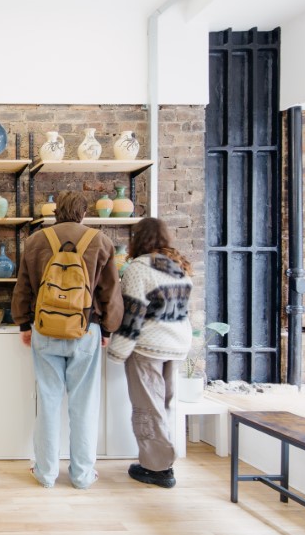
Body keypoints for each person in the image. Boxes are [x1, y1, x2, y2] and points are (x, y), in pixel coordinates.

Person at [12, 190, 122, 489]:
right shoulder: (101, 241)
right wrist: (108, 329)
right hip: (86, 330)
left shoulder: (36, 241)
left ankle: (46, 474)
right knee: (83, 405)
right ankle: (82, 476)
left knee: (47, 401)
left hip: (44, 329)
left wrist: (24, 323)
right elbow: (110, 291)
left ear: (56, 211)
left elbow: (23, 286)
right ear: (83, 213)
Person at [106, 217, 193, 489]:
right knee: (162, 404)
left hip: (149, 346)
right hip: (177, 344)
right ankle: (158, 459)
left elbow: (132, 316)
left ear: (138, 239)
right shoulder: (178, 267)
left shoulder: (139, 268)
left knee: (147, 408)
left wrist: (116, 352)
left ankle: (157, 468)